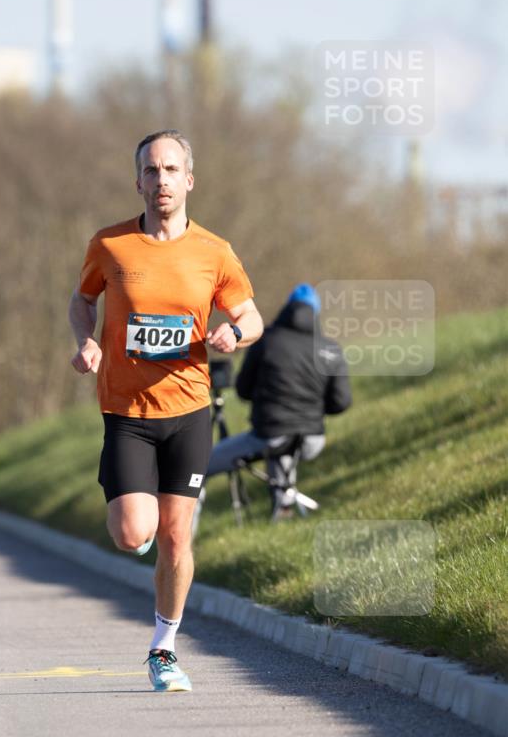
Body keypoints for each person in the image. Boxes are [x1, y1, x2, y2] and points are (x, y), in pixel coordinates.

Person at [68, 129, 263, 692]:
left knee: (179, 538)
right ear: (138, 182)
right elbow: (82, 300)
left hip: (188, 410)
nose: (161, 180)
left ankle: (163, 648)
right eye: (151, 171)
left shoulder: (214, 252)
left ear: (189, 180)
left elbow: (251, 315)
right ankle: (140, 523)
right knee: (134, 534)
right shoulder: (109, 246)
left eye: (171, 170)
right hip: (127, 410)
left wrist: (235, 334)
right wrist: (87, 341)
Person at [205, 284, 351, 515]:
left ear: (287, 308)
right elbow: (341, 402)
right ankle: (284, 509)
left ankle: (181, 541)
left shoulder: (266, 340)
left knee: (198, 469)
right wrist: (311, 410)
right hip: (313, 439)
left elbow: (243, 391)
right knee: (282, 445)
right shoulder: (330, 349)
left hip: (270, 436)